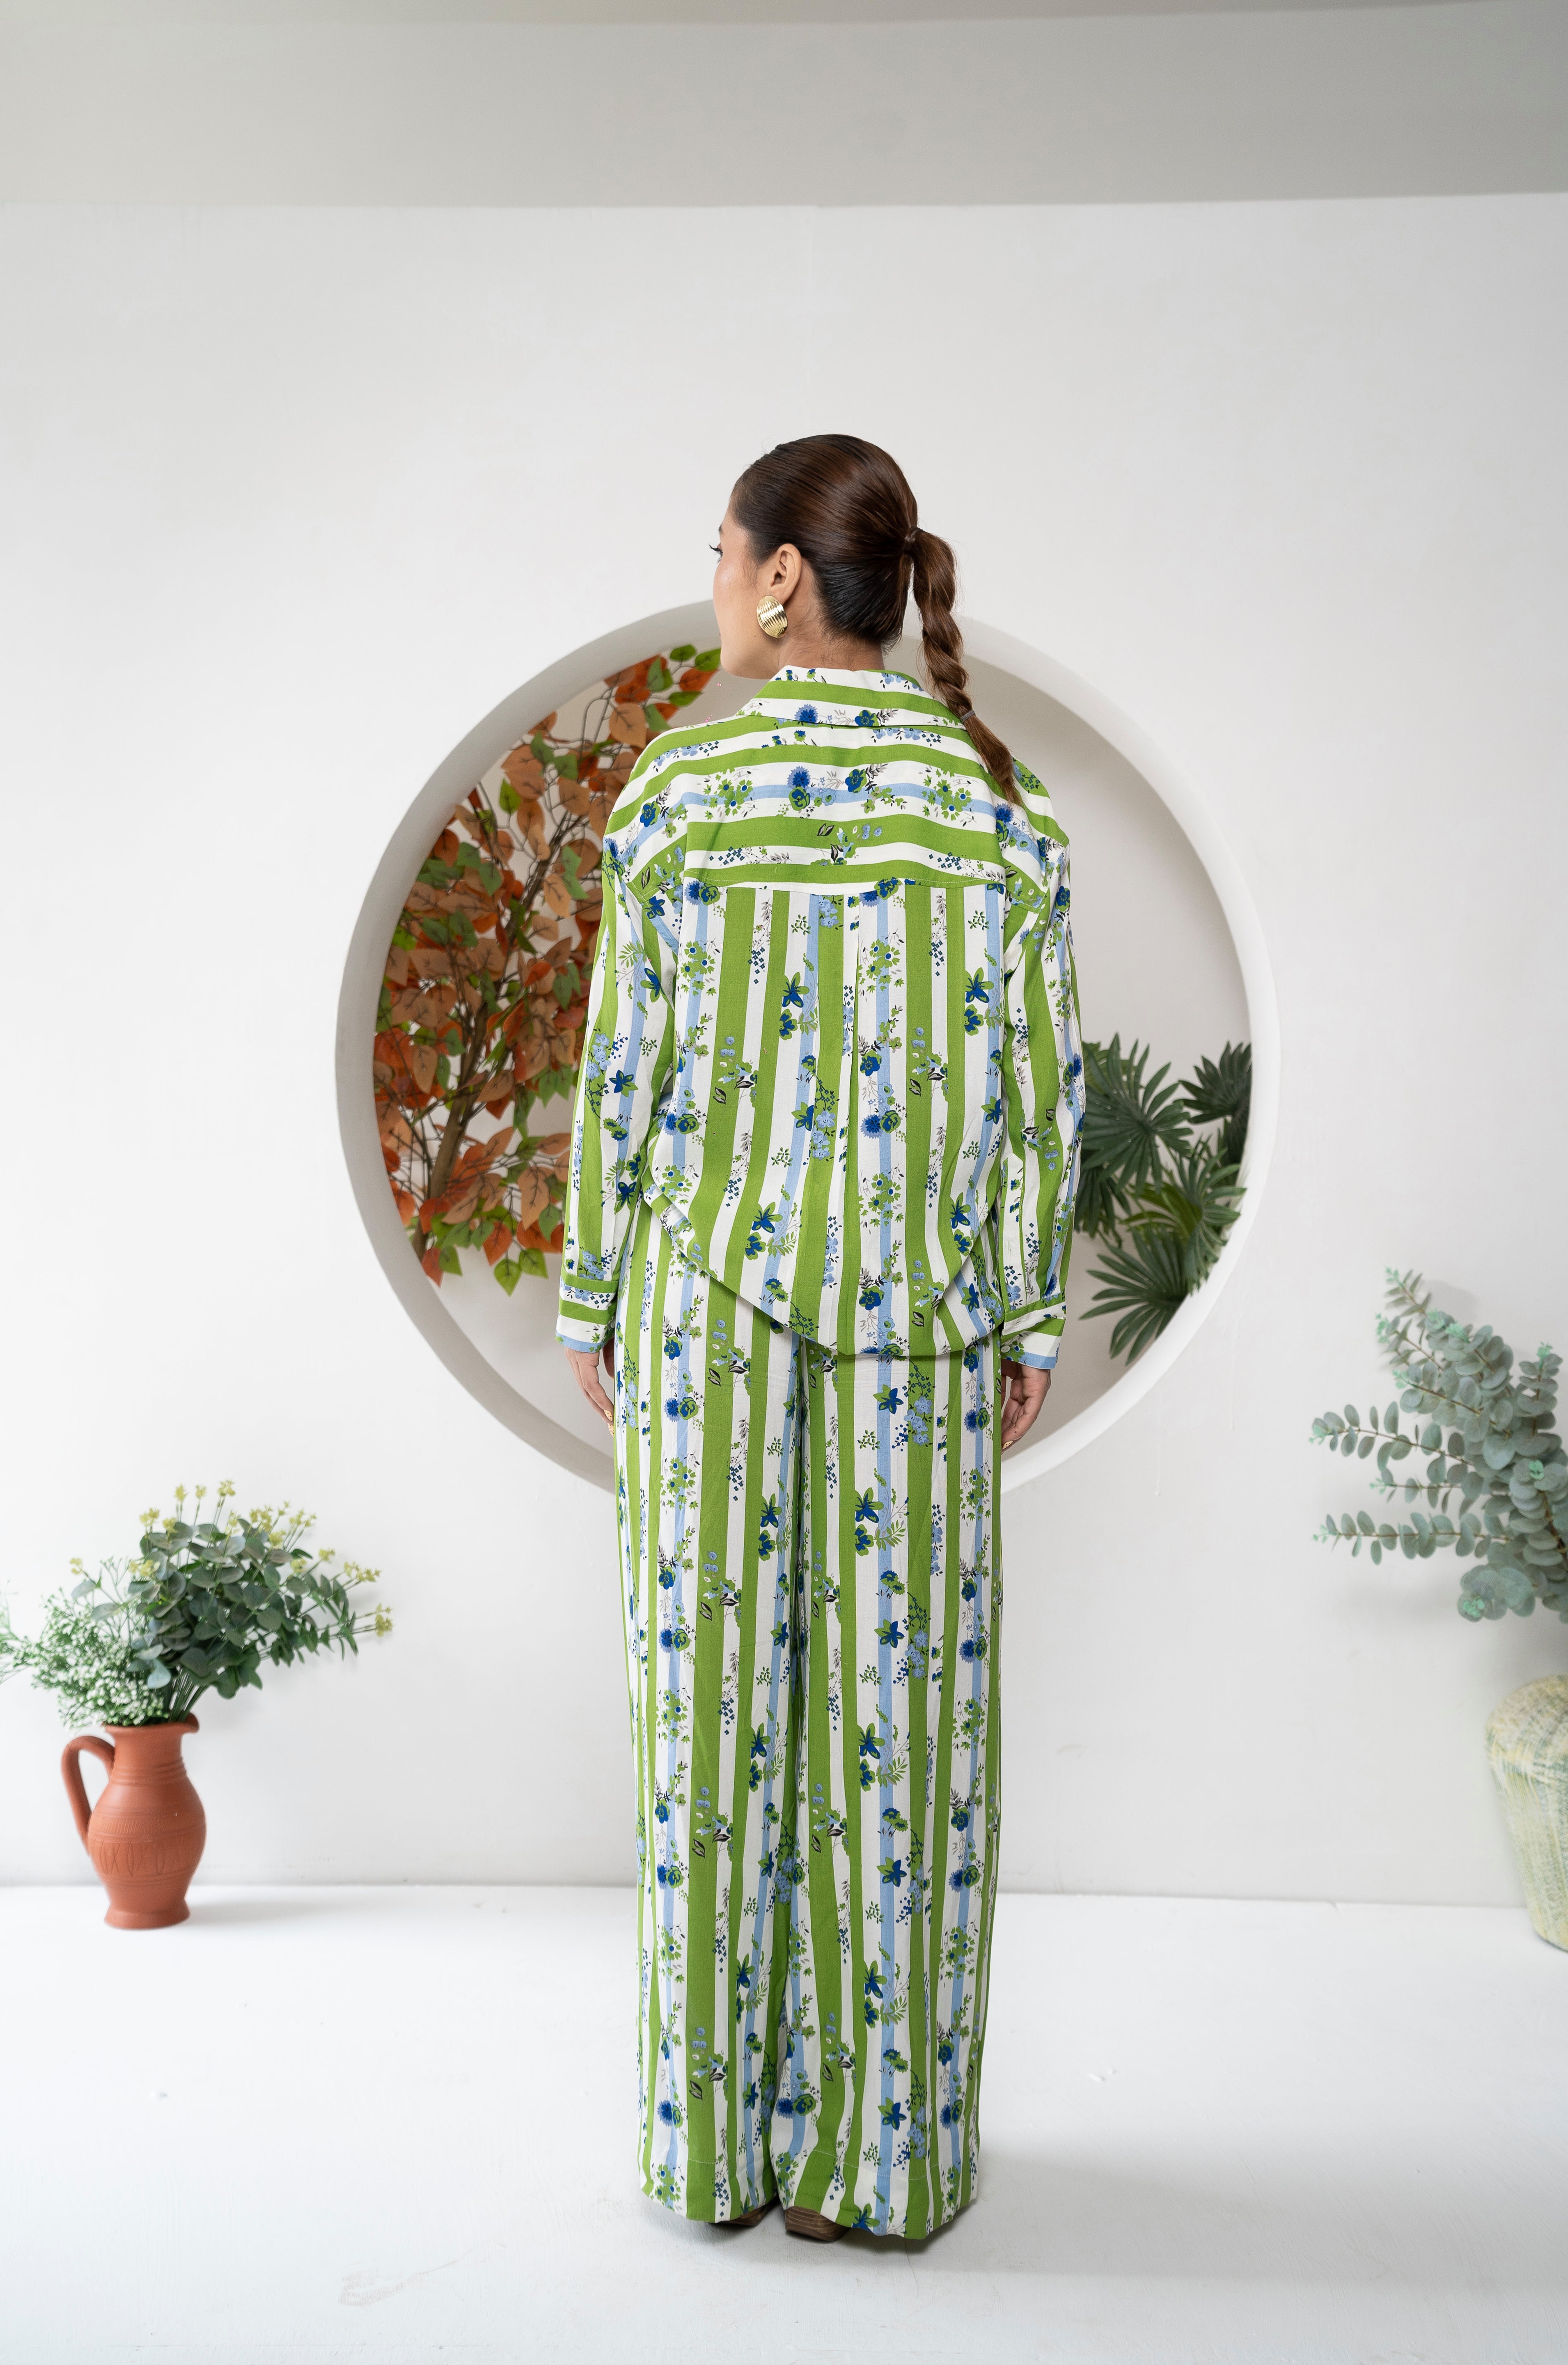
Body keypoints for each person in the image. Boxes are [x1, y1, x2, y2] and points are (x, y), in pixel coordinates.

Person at [556, 434, 1082, 2242]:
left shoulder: (678, 793)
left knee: (711, 1734)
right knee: (909, 1738)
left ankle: (716, 2154)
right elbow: (1034, 1105)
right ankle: (884, 2168)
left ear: (786, 577)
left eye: (721, 552)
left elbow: (623, 1069)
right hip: (925, 1336)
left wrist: (587, 1290)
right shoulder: (998, 811)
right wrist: (1021, 1316)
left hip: (702, 1313)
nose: (714, 579)